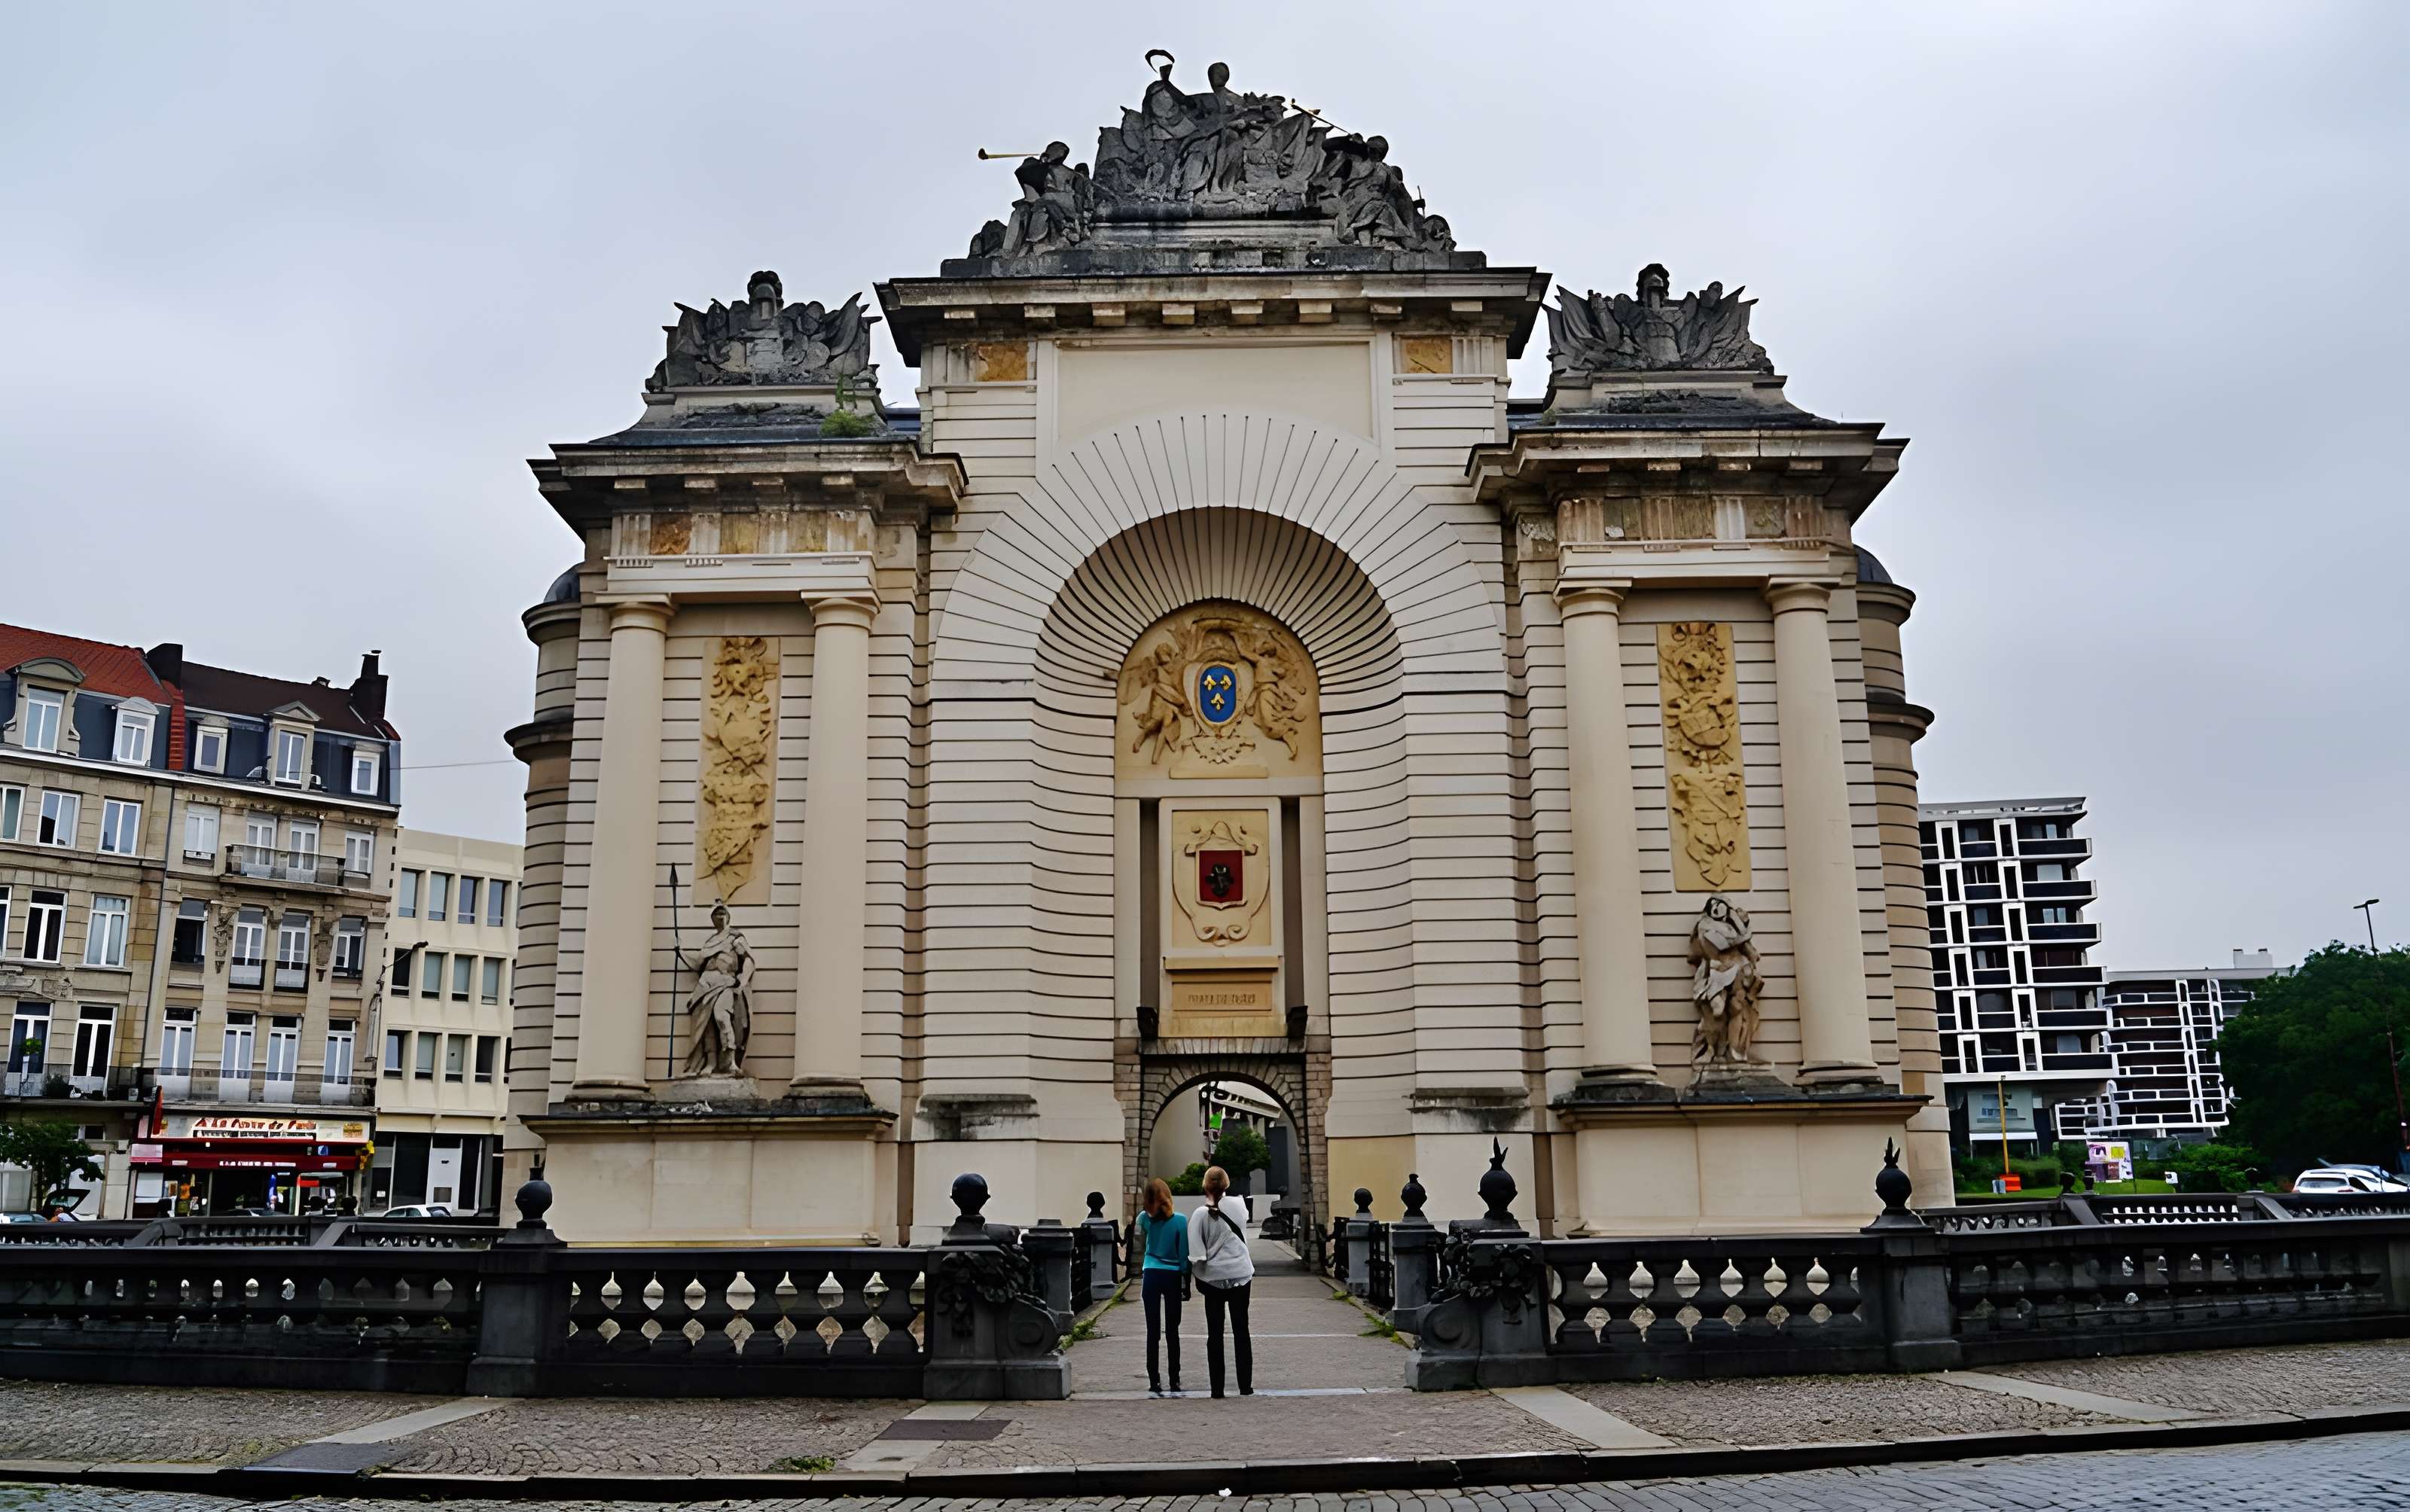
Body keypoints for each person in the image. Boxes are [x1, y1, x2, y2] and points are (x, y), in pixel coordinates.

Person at [1187, 1164, 1255, 1397]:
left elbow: (1196, 1254)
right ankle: (1245, 1386)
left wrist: (1196, 1276)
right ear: (1226, 1185)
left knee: (1214, 1333)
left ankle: (1217, 1388)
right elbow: (1243, 1219)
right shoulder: (1238, 1205)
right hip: (1240, 1274)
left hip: (1214, 1279)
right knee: (1241, 1330)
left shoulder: (1199, 1215)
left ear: (1205, 1186)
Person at [1134, 1176, 1188, 1396]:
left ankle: (1154, 1380)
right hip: (1173, 1275)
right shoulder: (1181, 1221)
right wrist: (1187, 1281)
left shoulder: (1143, 1219)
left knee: (1152, 1331)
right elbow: (1184, 1254)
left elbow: (1138, 1246)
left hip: (1151, 1274)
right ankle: (1174, 1379)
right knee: (1173, 1331)